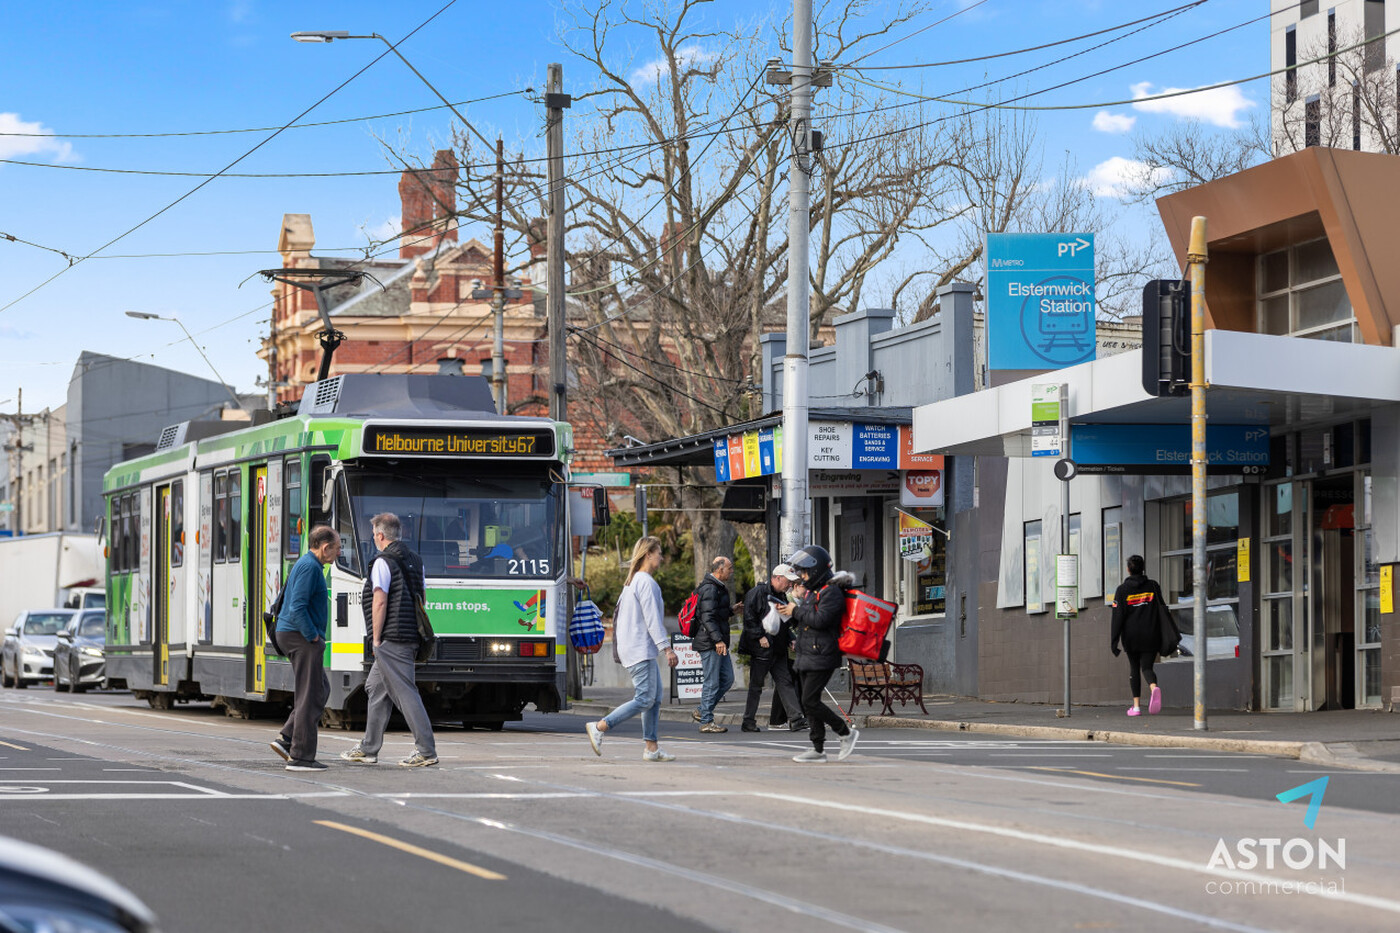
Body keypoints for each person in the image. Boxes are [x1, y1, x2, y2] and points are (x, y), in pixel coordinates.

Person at [341, 513, 439, 767]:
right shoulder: (416, 560)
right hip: (409, 635)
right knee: (376, 688)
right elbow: (422, 598)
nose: (374, 539)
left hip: (391, 638)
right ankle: (368, 748)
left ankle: (426, 751)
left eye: (374, 535)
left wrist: (376, 638)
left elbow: (380, 601)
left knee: (405, 692)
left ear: (380, 535)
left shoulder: (382, 562)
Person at [585, 536, 679, 761]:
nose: (661, 558)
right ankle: (600, 726)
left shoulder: (634, 581)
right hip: (639, 649)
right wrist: (667, 649)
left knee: (654, 698)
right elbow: (652, 620)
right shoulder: (645, 582)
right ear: (648, 554)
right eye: (659, 553)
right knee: (645, 698)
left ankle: (651, 748)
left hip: (637, 648)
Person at [776, 545, 859, 763]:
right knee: (808, 703)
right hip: (808, 653)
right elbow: (807, 620)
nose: (802, 577)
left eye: (804, 572)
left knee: (810, 701)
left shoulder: (832, 592)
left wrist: (795, 610)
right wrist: (788, 613)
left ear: (816, 570)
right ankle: (818, 748)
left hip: (822, 654)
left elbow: (821, 620)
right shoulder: (815, 591)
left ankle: (845, 732)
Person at [270, 525, 340, 772]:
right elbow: (297, 608)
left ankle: (287, 738)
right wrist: (313, 637)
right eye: (337, 548)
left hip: (294, 635)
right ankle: (301, 757)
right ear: (325, 547)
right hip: (300, 637)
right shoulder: (310, 567)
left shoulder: (308, 564)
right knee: (309, 695)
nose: (339, 553)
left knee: (320, 689)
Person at [738, 563, 805, 733]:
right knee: (756, 685)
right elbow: (749, 618)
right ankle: (748, 721)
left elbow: (785, 622)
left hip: (778, 647)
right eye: (787, 581)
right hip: (761, 648)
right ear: (777, 578)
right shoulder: (757, 593)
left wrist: (791, 639)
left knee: (785, 682)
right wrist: (760, 636)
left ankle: (796, 719)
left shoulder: (781, 595)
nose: (790, 585)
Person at [1110, 554, 1166, 717]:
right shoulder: (1153, 586)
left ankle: (1136, 707)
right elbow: (1162, 608)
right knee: (1147, 667)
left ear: (1128, 569)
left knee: (1134, 668)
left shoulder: (1122, 590)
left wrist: (1114, 641)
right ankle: (1154, 687)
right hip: (1151, 634)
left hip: (1131, 636)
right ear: (1143, 568)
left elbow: (1117, 617)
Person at [692, 556, 737, 733]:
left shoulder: (717, 586)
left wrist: (732, 610)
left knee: (727, 679)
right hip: (711, 642)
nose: (731, 571)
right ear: (720, 569)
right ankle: (706, 721)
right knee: (712, 682)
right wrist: (717, 640)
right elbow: (707, 617)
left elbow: (715, 613)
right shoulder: (710, 588)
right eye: (729, 568)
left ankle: (702, 710)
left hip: (717, 641)